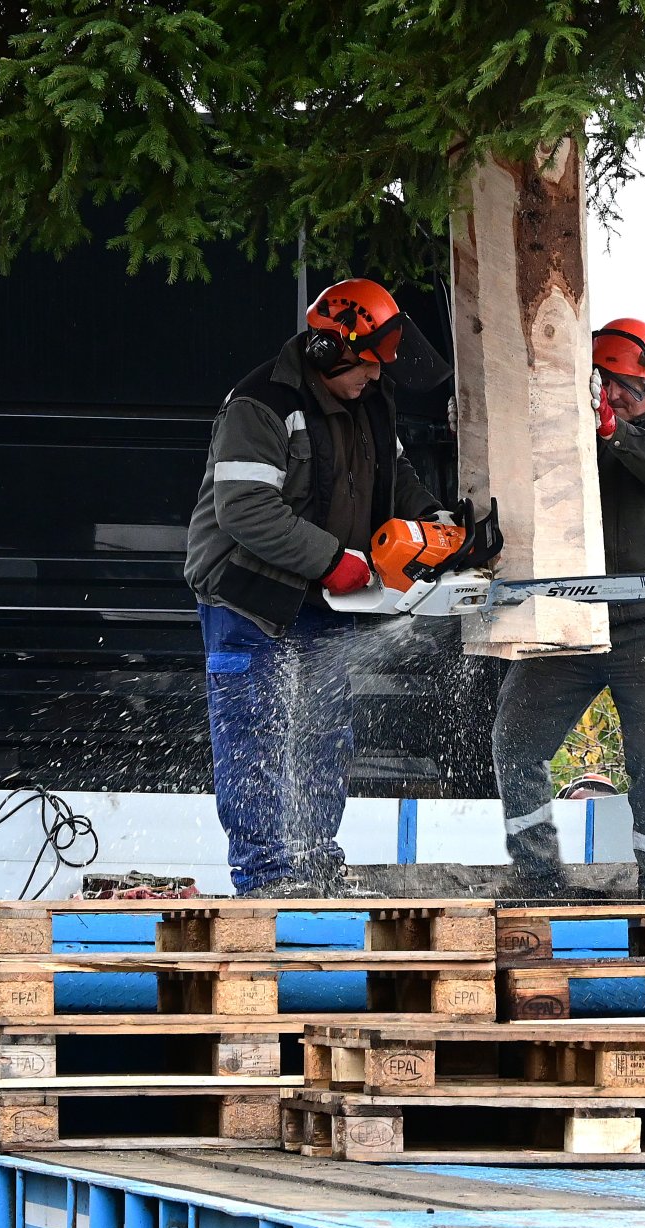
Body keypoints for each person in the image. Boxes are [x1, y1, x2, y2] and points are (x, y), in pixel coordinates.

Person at [184, 278, 450, 898]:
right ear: (328, 349)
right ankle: (266, 877)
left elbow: (395, 472)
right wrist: (333, 561)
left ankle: (314, 865)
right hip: (250, 596)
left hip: (324, 599)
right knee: (256, 737)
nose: (377, 375)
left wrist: (431, 520)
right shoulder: (261, 405)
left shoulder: (370, 400)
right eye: (367, 363)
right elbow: (245, 509)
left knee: (324, 735)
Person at [492, 318, 645, 901]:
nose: (612, 394)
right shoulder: (570, 434)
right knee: (515, 739)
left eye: (623, 384)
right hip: (568, 623)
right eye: (602, 382)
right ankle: (537, 876)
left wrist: (615, 431)